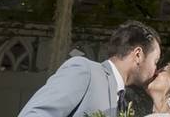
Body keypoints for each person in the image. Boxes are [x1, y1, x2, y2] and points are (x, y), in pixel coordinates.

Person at [18, 20, 161, 117]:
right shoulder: (85, 71)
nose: (155, 70)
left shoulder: (125, 102)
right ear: (138, 55)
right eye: (155, 61)